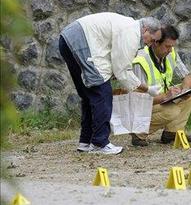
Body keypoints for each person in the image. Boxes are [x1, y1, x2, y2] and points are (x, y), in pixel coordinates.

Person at [58, 12, 162, 154]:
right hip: (80, 41)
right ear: (145, 30)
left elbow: (116, 62)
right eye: (153, 39)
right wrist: (148, 89)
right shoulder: (131, 33)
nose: (150, 44)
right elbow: (123, 71)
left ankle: (85, 142)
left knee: (89, 94)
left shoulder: (127, 25)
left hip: (67, 39)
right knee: (102, 94)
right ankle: (100, 143)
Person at [131, 25, 191, 146]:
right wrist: (165, 97)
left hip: (161, 100)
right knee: (172, 111)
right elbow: (138, 99)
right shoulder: (141, 60)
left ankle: (172, 132)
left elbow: (187, 76)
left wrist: (185, 90)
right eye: (167, 46)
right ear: (156, 42)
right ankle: (138, 133)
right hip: (141, 106)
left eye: (172, 46)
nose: (170, 50)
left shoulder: (170, 53)